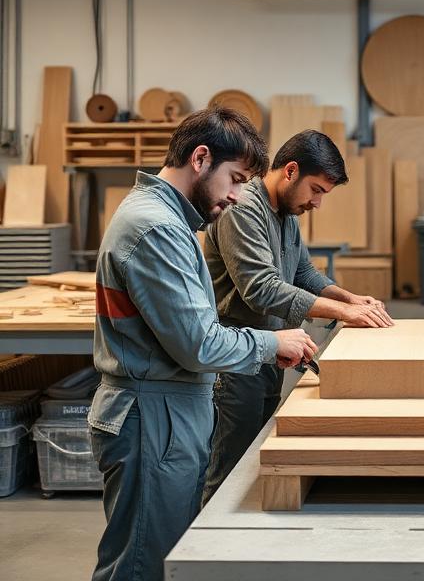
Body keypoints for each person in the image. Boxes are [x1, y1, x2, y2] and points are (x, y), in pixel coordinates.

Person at [89, 107, 317, 581]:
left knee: (164, 553)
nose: (236, 196)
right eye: (234, 179)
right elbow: (198, 343)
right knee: (142, 565)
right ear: (200, 158)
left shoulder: (167, 219)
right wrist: (268, 341)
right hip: (153, 416)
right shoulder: (157, 227)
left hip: (169, 412)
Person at [202, 129, 394, 501]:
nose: (317, 203)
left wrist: (351, 299)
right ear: (290, 171)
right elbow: (261, 287)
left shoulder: (287, 211)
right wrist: (343, 313)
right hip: (238, 359)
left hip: (272, 351)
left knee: (255, 460)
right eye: (317, 190)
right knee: (228, 468)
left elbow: (303, 272)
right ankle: (208, 547)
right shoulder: (243, 210)